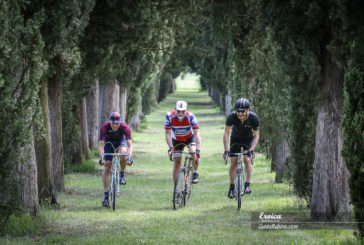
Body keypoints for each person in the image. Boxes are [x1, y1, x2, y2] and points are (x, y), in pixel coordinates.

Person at [223, 98, 260, 198]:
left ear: (247, 110)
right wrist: (226, 150)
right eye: (238, 111)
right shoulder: (232, 116)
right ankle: (231, 188)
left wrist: (251, 149)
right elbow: (226, 133)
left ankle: (247, 185)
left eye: (242, 111)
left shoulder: (253, 118)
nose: (240, 114)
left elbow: (256, 136)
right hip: (235, 139)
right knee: (233, 163)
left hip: (248, 139)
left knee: (247, 160)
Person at [99, 112, 133, 207]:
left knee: (123, 153)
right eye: (113, 123)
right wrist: (102, 157)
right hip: (108, 142)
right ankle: (106, 197)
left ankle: (122, 174)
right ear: (110, 121)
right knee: (107, 166)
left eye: (117, 123)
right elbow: (101, 145)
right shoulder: (104, 127)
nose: (115, 125)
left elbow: (130, 145)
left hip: (120, 141)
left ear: (120, 122)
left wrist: (129, 157)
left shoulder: (125, 127)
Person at [165, 100, 201, 185]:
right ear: (175, 109)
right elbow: (168, 134)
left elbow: (197, 133)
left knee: (192, 151)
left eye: (183, 111)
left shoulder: (191, 116)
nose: (180, 113)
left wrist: (198, 150)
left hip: (189, 138)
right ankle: (176, 189)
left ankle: (195, 172)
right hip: (177, 140)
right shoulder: (169, 116)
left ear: (186, 110)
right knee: (177, 163)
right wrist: (170, 147)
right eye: (178, 111)